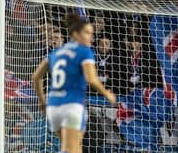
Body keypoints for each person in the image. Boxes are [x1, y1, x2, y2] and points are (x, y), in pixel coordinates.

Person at [31, 14, 116, 153]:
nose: (91, 37)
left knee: (68, 147)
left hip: (53, 106)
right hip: (71, 106)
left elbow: (35, 77)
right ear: (75, 34)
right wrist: (106, 93)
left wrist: (42, 101)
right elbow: (91, 79)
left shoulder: (55, 53)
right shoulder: (84, 52)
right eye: (87, 33)